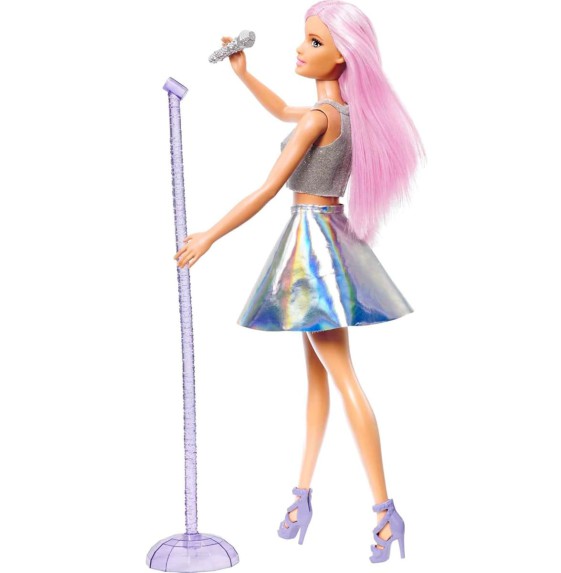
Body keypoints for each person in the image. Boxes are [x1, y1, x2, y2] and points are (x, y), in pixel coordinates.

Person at [173, 0, 425, 563]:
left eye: (314, 42)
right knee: (318, 379)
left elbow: (267, 190)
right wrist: (244, 75)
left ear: (342, 56)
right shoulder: (341, 115)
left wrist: (209, 235)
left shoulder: (320, 119)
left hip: (313, 245)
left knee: (341, 376)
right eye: (305, 38)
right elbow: (284, 108)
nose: (301, 48)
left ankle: (385, 511)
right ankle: (303, 496)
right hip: (328, 233)